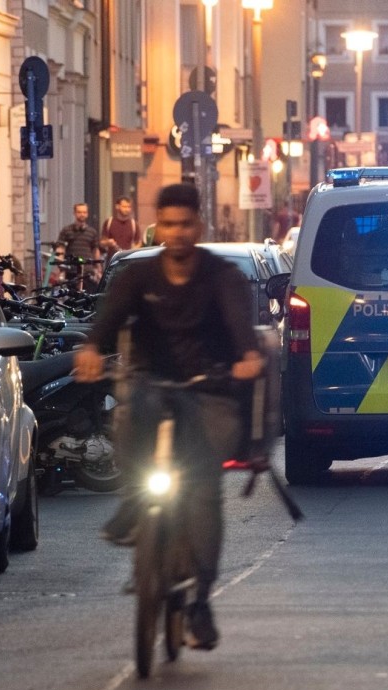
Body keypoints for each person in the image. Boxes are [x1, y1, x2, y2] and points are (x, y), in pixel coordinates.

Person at [73, 182, 265, 651]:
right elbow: (109, 318)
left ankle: (200, 600)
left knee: (202, 495)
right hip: (152, 387)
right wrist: (93, 349)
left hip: (209, 392)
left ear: (198, 227)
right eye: (169, 224)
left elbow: (242, 326)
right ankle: (136, 502)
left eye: (186, 224)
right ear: (158, 227)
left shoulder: (222, 276)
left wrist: (245, 356)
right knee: (126, 421)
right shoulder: (138, 277)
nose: (177, 233)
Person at [56, 202, 101, 285]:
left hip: (88, 271)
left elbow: (95, 250)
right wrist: (60, 268)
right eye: (79, 212)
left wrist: (98, 269)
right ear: (74, 213)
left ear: (87, 214)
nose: (82, 214)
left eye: (84, 212)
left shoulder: (92, 232)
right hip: (71, 270)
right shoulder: (66, 231)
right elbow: (60, 249)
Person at [98, 196, 139, 261]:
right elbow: (101, 242)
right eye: (124, 207)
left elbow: (138, 243)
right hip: (112, 260)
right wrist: (108, 242)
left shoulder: (134, 224)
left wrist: (133, 250)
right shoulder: (109, 222)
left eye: (129, 207)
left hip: (129, 260)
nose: (127, 209)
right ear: (117, 206)